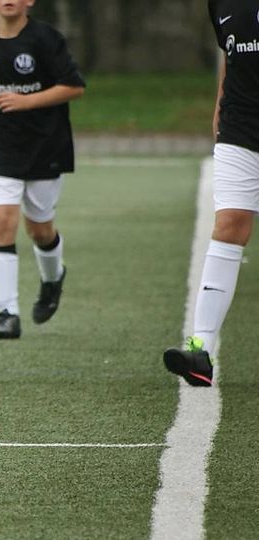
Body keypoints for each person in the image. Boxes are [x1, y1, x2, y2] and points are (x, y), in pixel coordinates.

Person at [0, 0, 85, 339]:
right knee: (2, 221)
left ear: (30, 2)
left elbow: (74, 86)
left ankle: (53, 279)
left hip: (45, 145)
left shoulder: (46, 38)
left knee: (40, 230)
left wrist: (26, 101)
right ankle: (7, 313)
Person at [162, 0, 259, 387]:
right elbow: (229, 54)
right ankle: (200, 350)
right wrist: (220, 103)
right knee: (229, 224)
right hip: (239, 126)